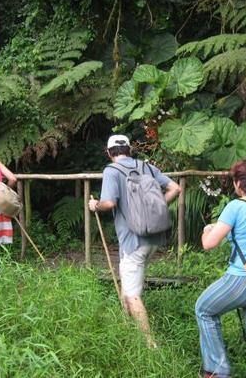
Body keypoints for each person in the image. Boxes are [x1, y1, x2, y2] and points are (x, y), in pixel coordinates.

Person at [88, 134, 181, 348]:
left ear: (109, 152)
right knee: (127, 277)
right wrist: (157, 208)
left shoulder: (111, 171)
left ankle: (149, 345)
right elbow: (176, 188)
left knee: (132, 295)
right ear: (129, 149)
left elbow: (109, 203)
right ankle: (125, 326)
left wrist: (95, 206)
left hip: (133, 240)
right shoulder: (146, 167)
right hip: (154, 238)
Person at [195, 158, 246, 378]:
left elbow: (209, 243)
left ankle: (217, 371)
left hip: (242, 280)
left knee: (203, 309)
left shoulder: (236, 206)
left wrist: (206, 229)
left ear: (239, 184)